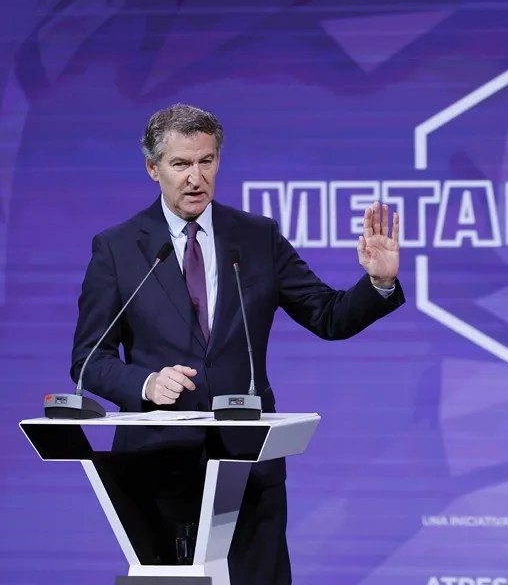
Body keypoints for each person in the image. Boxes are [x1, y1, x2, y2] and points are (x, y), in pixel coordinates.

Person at [70, 103, 403, 584]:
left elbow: (328, 316)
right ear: (152, 168)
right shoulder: (118, 248)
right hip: (156, 466)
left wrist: (377, 284)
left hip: (249, 465)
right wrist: (144, 383)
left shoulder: (257, 236)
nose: (194, 177)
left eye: (206, 161)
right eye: (180, 164)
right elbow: (88, 361)